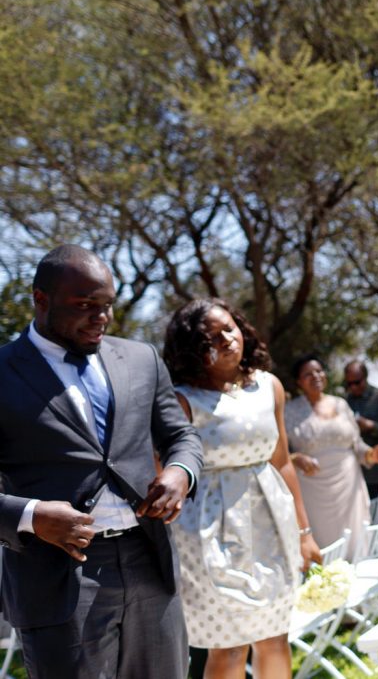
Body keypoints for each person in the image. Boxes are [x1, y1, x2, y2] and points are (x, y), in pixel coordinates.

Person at [0, 244, 203, 677]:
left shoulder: (141, 358)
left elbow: (180, 436)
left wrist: (179, 473)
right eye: (85, 305)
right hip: (57, 574)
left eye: (107, 305)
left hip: (148, 558)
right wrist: (31, 515)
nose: (101, 317)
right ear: (41, 299)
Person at [163, 298, 321, 679]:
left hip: (272, 523)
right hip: (209, 532)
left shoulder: (269, 387)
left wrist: (304, 533)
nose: (226, 341)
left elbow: (282, 462)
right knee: (230, 646)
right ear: (192, 349)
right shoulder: (182, 399)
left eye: (229, 330)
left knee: (275, 636)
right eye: (211, 338)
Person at [285, 354, 378, 556]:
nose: (315, 376)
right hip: (312, 491)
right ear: (298, 382)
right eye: (308, 374)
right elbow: (280, 451)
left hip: (349, 488)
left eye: (319, 371)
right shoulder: (289, 411)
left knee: (355, 542)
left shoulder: (340, 404)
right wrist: (296, 458)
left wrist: (371, 455)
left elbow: (357, 446)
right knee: (324, 548)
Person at [342, 359, 378, 498]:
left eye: (357, 382)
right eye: (349, 383)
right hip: (355, 472)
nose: (354, 387)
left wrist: (372, 426)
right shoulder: (345, 402)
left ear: (365, 378)